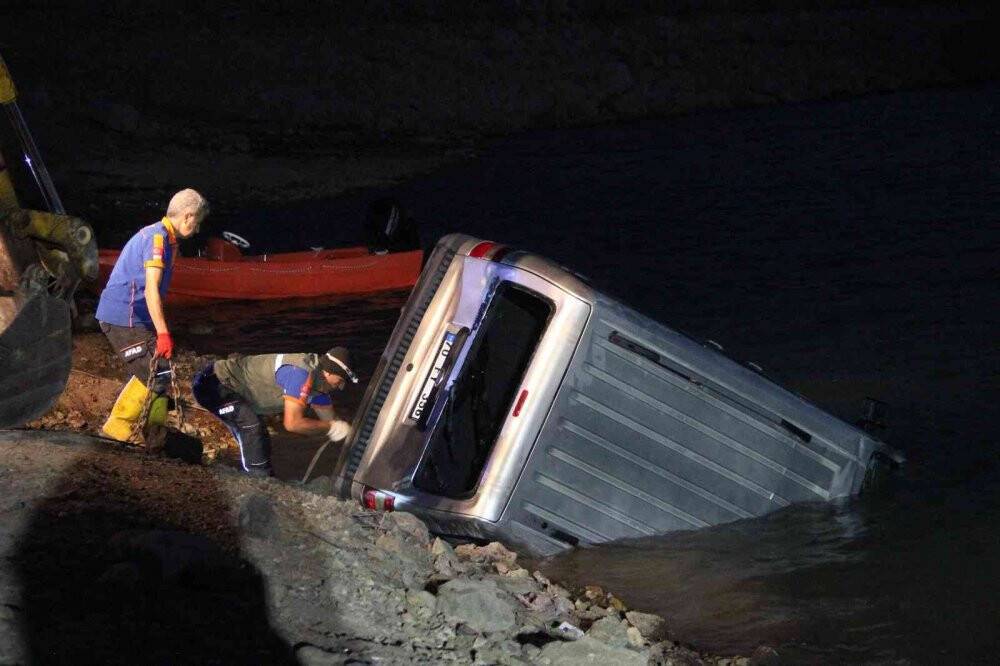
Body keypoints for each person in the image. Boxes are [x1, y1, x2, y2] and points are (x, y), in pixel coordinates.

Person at [96, 188, 210, 441]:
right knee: (158, 374)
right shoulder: (157, 239)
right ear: (189, 216)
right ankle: (151, 436)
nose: (198, 229)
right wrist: (162, 333)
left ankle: (128, 427)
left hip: (131, 316)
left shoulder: (163, 238)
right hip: (122, 317)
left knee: (154, 371)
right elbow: (150, 291)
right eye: (198, 222)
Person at [191, 347, 357, 477]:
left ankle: (260, 476)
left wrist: (349, 437)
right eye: (340, 380)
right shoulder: (300, 374)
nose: (340, 387)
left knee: (258, 432)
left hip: (232, 391)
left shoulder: (321, 388)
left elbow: (330, 421)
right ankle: (259, 480)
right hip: (212, 385)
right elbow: (293, 424)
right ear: (328, 371)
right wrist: (331, 428)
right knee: (251, 425)